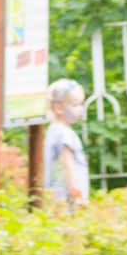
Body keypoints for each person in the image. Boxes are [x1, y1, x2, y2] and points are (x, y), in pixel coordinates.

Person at [44, 79, 89, 210]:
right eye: (75, 105)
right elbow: (67, 165)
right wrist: (75, 195)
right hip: (67, 198)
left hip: (56, 197)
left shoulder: (53, 130)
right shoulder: (64, 134)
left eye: (81, 104)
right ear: (59, 108)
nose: (80, 109)